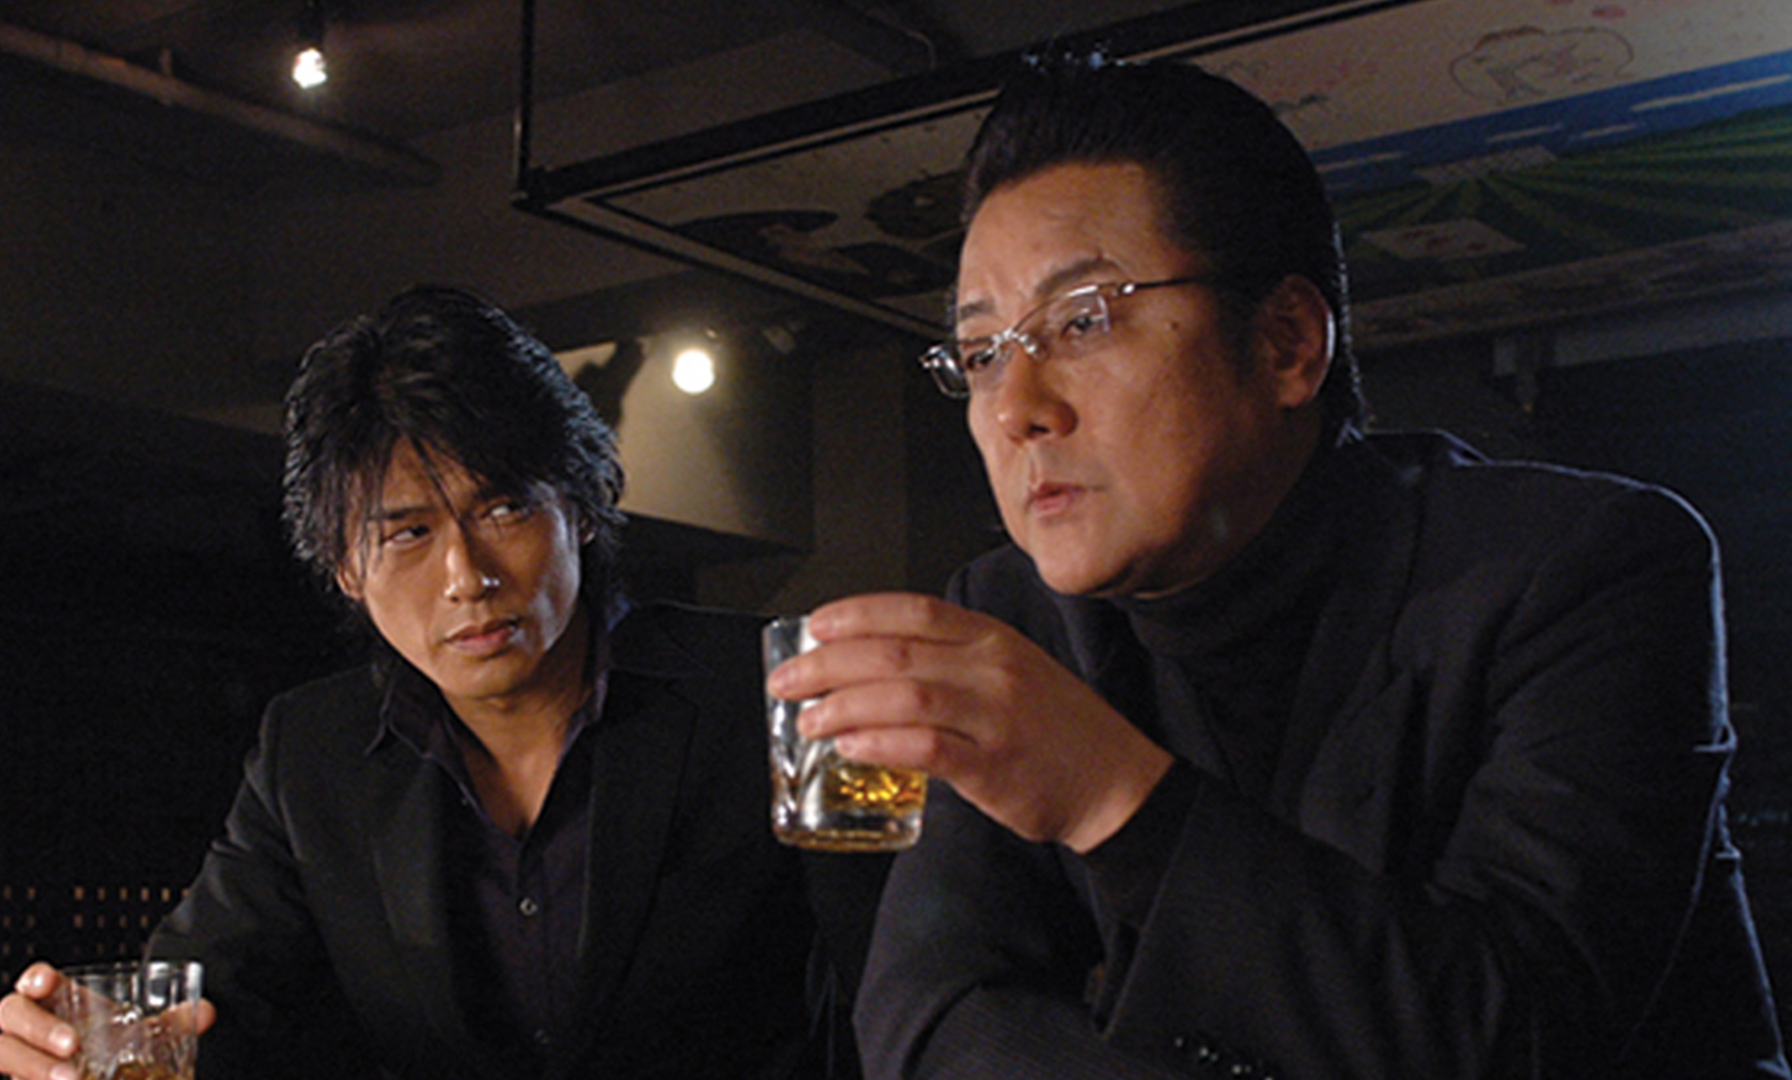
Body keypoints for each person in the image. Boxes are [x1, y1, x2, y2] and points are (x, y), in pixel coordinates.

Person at [766, 55, 1791, 1078]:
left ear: (1287, 343)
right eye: (984, 353)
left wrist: (1108, 795)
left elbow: (1519, 1034)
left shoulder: (1581, 566)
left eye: (1081, 320)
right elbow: (930, 1013)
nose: (1015, 409)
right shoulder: (1009, 613)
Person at [0, 285, 888, 1080]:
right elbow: (214, 1013)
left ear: (578, 507)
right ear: (345, 567)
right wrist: (94, 1040)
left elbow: (900, 985)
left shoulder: (783, 689)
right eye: (409, 533)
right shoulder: (312, 753)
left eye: (504, 507)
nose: (468, 576)